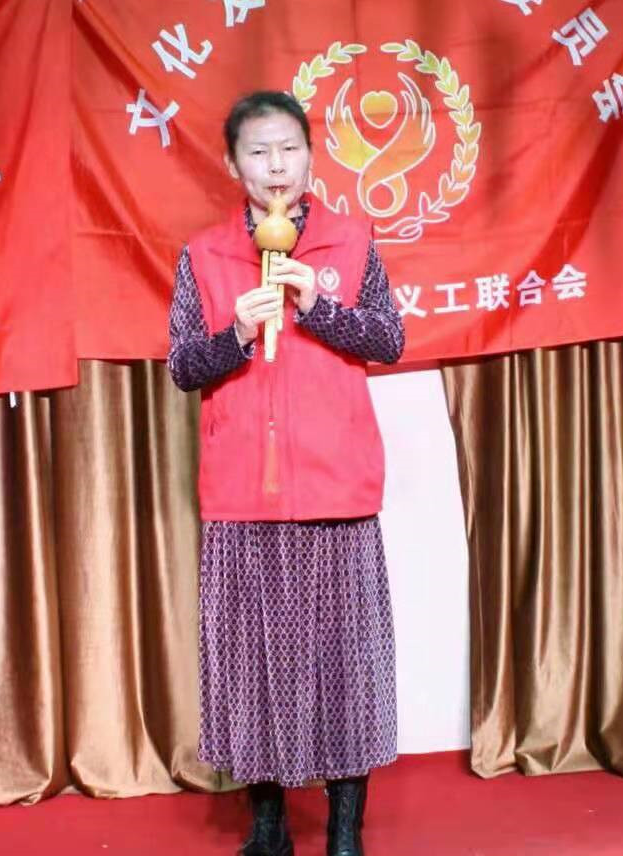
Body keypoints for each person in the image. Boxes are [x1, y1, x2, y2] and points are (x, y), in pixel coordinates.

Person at [167, 90, 405, 856]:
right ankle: (266, 827)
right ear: (233, 164)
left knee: (345, 667)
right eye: (259, 152)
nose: (276, 166)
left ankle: (344, 832)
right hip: (243, 489)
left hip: (335, 484)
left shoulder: (351, 242)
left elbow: (389, 340)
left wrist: (318, 306)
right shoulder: (204, 255)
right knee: (250, 666)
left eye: (289, 149)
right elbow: (182, 366)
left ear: (309, 155)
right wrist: (236, 332)